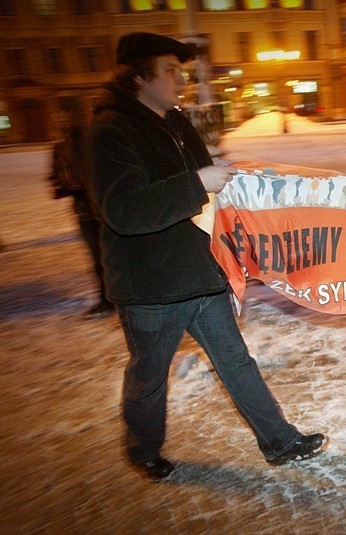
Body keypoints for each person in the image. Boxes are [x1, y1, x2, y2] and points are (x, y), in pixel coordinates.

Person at [85, 32, 326, 480]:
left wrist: (239, 184)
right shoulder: (111, 131)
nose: (181, 79)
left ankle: (280, 440)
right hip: (152, 286)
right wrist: (199, 181)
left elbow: (209, 190)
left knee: (236, 360)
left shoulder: (176, 123)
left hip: (201, 269)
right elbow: (122, 210)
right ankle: (142, 448)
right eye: (170, 70)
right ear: (139, 77)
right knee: (150, 375)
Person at [48, 96, 114, 318]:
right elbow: (56, 174)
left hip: (99, 210)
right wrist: (61, 185)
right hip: (83, 210)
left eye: (65, 115)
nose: (61, 120)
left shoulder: (90, 141)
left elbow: (100, 175)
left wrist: (80, 185)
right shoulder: (60, 146)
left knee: (107, 256)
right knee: (96, 257)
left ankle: (112, 299)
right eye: (58, 116)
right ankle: (106, 298)